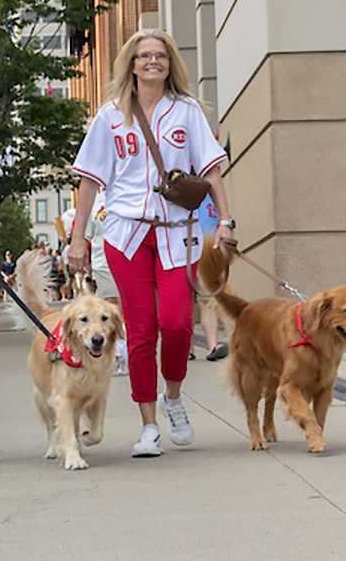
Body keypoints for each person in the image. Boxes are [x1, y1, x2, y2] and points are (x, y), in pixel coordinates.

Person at [68, 28, 234, 458]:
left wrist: (227, 221)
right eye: (144, 56)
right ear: (132, 63)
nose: (152, 62)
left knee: (177, 324)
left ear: (169, 63)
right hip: (126, 234)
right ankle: (148, 426)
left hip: (177, 231)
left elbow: (212, 170)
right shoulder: (109, 116)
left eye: (160, 55)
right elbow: (90, 181)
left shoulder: (188, 111)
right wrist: (78, 238)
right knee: (140, 332)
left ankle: (173, 398)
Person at [85, 189, 128, 375]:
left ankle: (126, 353)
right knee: (111, 307)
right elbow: (88, 234)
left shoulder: (126, 194)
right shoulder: (94, 203)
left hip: (128, 259)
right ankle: (116, 355)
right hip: (102, 262)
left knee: (126, 308)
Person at [189, 194, 229, 362]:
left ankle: (212, 346)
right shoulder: (176, 189)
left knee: (208, 301)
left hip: (207, 253)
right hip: (180, 251)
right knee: (181, 302)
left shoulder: (212, 195)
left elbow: (226, 222)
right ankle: (187, 349)